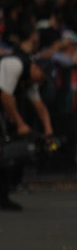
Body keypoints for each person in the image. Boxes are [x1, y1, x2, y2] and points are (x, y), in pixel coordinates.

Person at [0, 23, 53, 210]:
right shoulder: (15, 63)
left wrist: (49, 131)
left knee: (7, 153)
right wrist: (20, 123)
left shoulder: (29, 77)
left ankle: (3, 196)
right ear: (37, 68)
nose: (39, 81)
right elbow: (5, 95)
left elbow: (39, 105)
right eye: (41, 76)